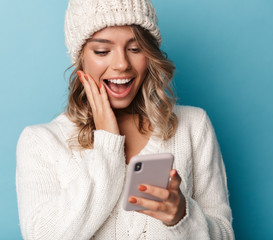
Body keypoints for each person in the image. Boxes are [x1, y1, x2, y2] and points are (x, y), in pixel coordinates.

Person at [16, 0, 234, 239]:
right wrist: (107, 143)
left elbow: (224, 234)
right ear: (80, 59)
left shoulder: (193, 126)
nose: (121, 64)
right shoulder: (42, 141)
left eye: (135, 48)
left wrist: (181, 215)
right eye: (102, 51)